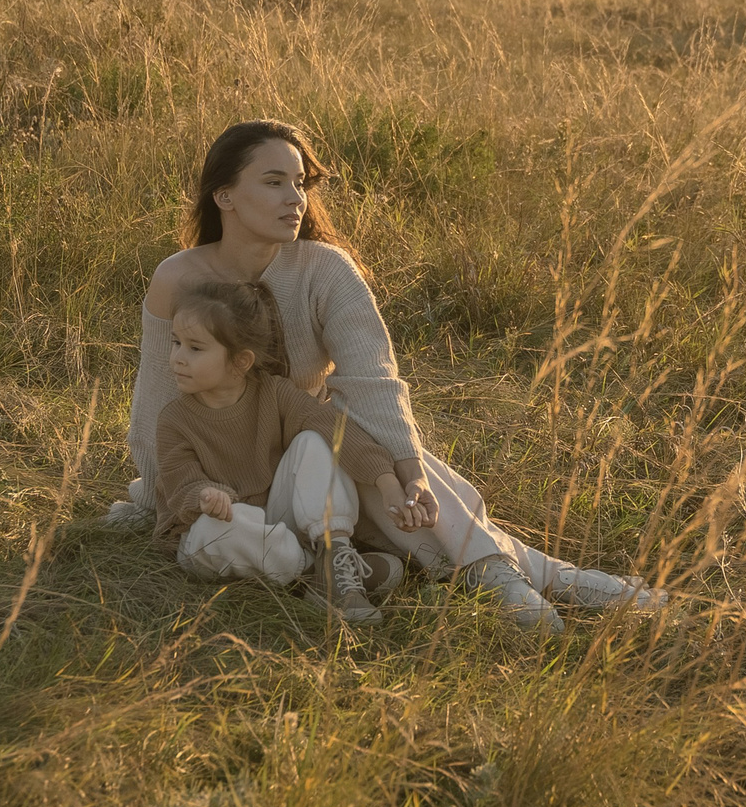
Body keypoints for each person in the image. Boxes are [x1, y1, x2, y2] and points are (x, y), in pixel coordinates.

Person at [118, 118, 660, 633]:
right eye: (274, 181)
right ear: (225, 196)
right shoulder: (181, 277)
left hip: (312, 469)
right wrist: (160, 502)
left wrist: (410, 472)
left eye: (301, 182)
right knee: (351, 476)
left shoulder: (325, 268)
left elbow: (371, 379)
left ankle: (500, 574)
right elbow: (158, 402)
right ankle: (536, 577)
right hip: (224, 482)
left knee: (353, 444)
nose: (295, 197)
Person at [150, 281, 402, 626]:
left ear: (240, 361)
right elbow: (179, 480)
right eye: (176, 343)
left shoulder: (274, 393)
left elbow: (335, 429)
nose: (178, 357)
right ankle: (322, 576)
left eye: (195, 348)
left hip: (276, 518)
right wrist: (205, 495)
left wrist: (385, 481)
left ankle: (335, 550)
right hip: (211, 530)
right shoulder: (174, 419)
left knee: (316, 438)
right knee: (215, 530)